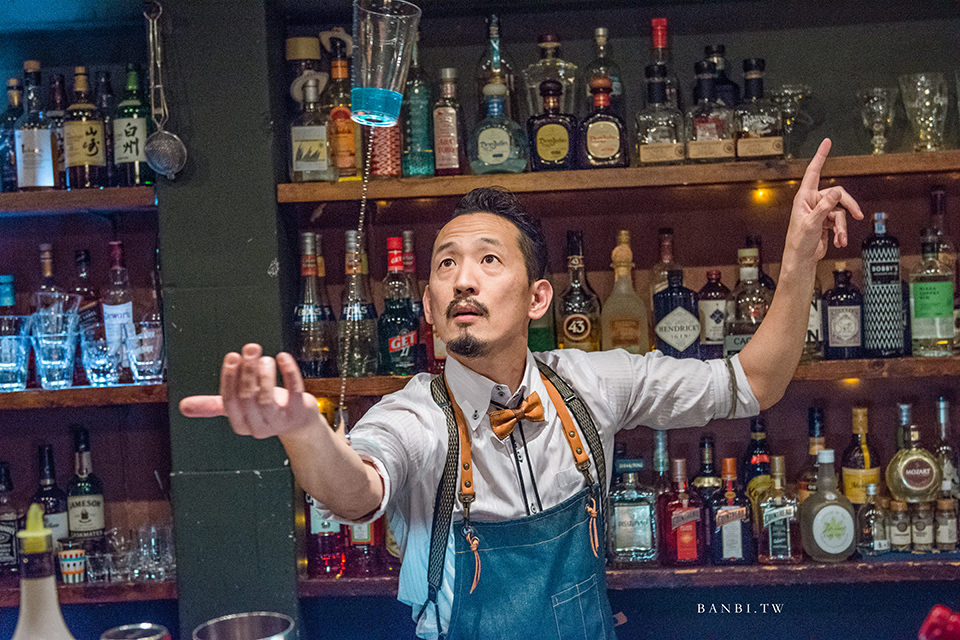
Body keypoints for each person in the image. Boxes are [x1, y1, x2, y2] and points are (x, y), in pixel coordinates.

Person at [180, 138, 863, 639]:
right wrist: (304, 430)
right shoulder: (416, 415)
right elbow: (354, 492)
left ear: (538, 298)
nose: (464, 279)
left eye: (488, 260)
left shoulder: (594, 382)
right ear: (428, 305)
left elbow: (754, 381)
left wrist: (798, 259)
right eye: (446, 265)